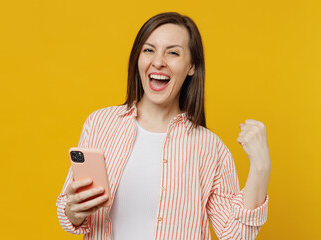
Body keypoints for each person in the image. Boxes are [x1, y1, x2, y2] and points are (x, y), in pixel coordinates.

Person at [56, 12, 271, 240]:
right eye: (149, 50)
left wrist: (261, 167)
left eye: (173, 53)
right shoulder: (100, 123)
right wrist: (73, 210)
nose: (158, 61)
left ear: (191, 67)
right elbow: (68, 211)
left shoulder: (211, 148)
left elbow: (236, 235)